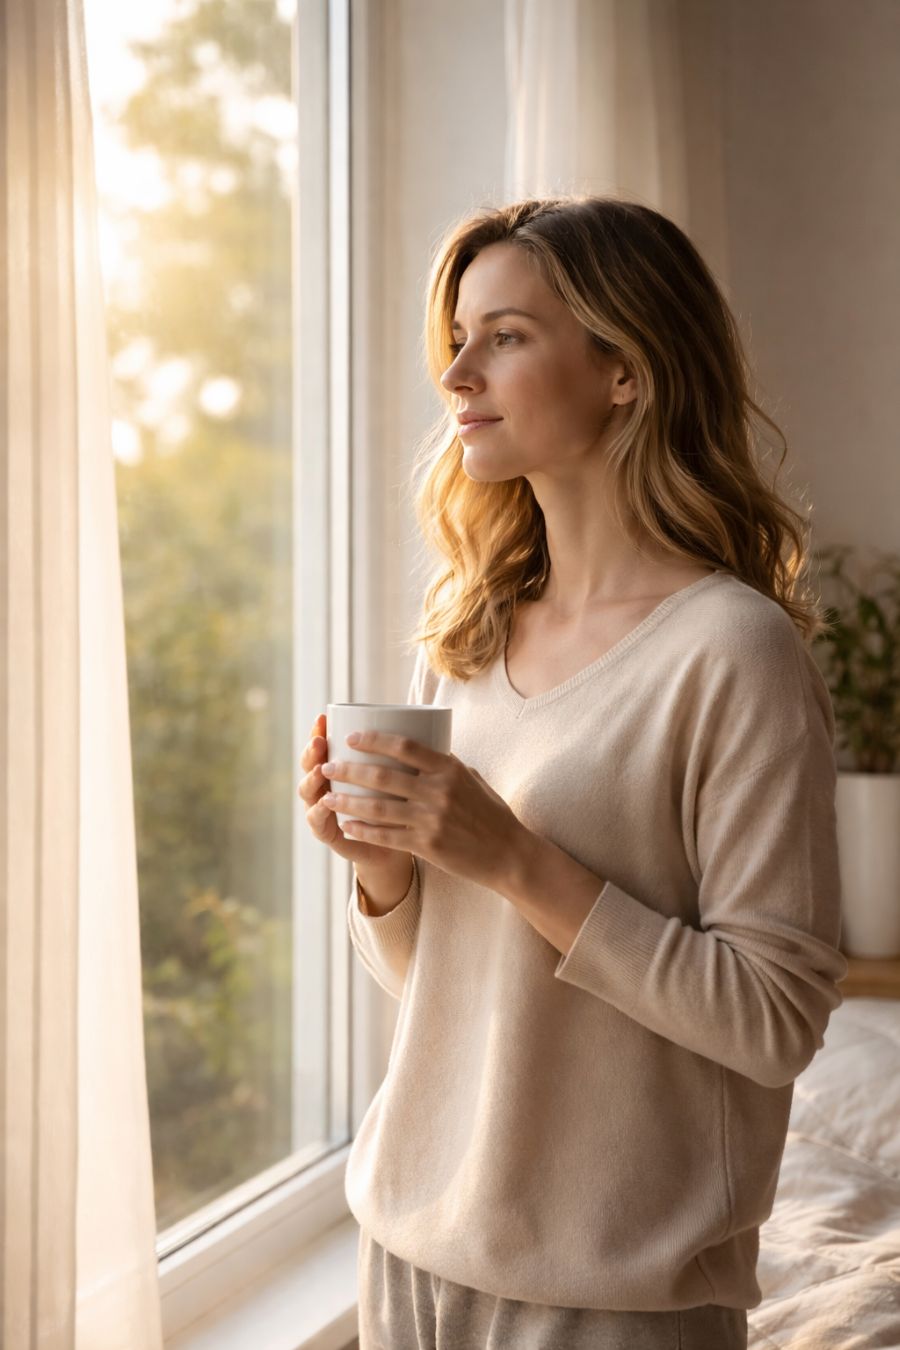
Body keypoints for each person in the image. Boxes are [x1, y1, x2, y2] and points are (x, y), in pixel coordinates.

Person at [297, 196, 848, 1350]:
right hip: (407, 1255)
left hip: (614, 1300)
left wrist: (512, 857)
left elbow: (775, 1018)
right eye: (456, 337)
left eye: (504, 335)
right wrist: (389, 875)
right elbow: (454, 992)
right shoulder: (472, 633)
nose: (456, 373)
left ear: (626, 372)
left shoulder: (733, 652)